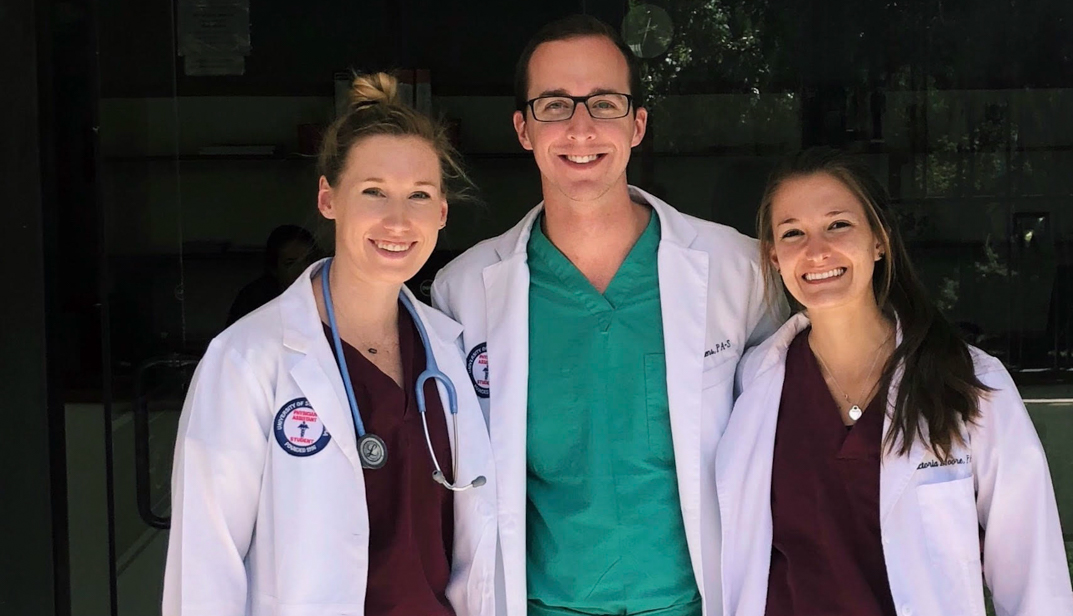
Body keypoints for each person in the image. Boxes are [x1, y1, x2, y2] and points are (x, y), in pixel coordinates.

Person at [432, 15, 782, 616]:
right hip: (541, 604)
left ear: (637, 124)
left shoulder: (738, 270)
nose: (580, 127)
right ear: (523, 129)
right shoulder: (462, 290)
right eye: (554, 105)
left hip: (698, 602)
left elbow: (792, 437)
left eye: (604, 102)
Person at [163, 72, 497, 616]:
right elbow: (204, 565)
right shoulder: (249, 358)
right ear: (327, 198)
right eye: (373, 192)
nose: (397, 219)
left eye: (419, 195)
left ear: (441, 213)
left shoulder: (446, 348)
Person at [716, 147, 1073, 616]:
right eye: (792, 233)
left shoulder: (968, 382)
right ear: (774, 258)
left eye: (838, 225)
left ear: (879, 240)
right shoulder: (751, 383)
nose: (816, 250)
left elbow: (1032, 573)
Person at [226, 224, 319, 326]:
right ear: (274, 268)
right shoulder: (254, 300)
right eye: (290, 263)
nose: (302, 269)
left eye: (308, 260)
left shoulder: (326, 294)